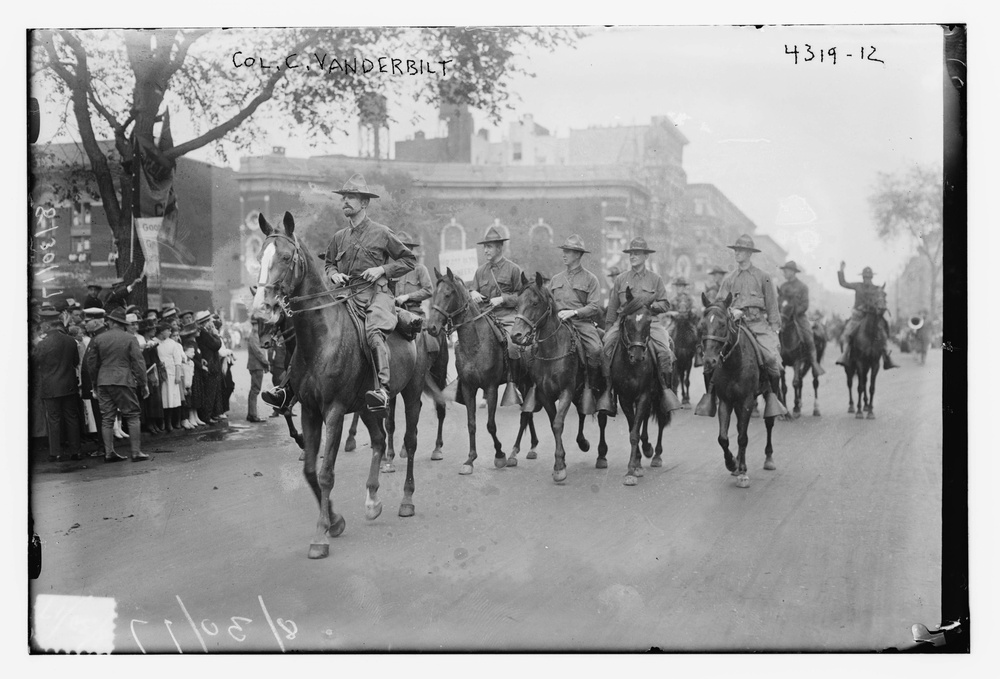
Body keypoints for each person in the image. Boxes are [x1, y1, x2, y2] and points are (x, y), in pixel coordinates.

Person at [321, 174, 416, 411]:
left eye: (351, 197)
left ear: (364, 203)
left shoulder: (382, 233)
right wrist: (333, 274)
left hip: (377, 295)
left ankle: (382, 389)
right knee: (318, 325)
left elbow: (409, 260)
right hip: (345, 295)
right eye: (344, 197)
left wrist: (382, 269)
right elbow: (329, 264)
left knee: (373, 332)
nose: (345, 201)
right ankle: (288, 389)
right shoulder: (338, 237)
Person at [697, 234, 787, 417]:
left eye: (741, 250)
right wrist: (730, 311)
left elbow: (772, 305)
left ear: (749, 253)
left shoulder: (763, 277)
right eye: (736, 250)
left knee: (772, 361)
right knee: (712, 358)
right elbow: (720, 305)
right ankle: (710, 397)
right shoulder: (729, 279)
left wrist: (774, 329)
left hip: (758, 326)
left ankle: (773, 399)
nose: (737, 253)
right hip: (736, 327)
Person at [601, 237, 682, 415]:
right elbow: (613, 307)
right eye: (631, 253)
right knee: (606, 348)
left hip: (650, 323)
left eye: (637, 253)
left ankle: (665, 390)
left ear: (646, 256)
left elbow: (665, 304)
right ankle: (608, 392)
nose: (633, 256)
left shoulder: (655, 279)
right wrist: (609, 329)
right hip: (625, 324)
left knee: (665, 350)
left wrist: (650, 307)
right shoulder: (621, 279)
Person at [84, 307, 149, 462]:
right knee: (132, 415)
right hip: (123, 380)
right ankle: (135, 452)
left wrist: (95, 383)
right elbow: (138, 362)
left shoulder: (99, 338)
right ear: (123, 324)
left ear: (111, 322)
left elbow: (91, 364)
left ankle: (109, 452)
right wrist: (143, 383)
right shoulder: (130, 338)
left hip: (103, 381)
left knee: (107, 417)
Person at [548, 235, 604, 408]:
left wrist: (574, 312)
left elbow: (594, 306)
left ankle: (591, 386)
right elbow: (548, 304)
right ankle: (535, 388)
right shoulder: (556, 279)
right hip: (557, 324)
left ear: (578, 255)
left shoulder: (590, 279)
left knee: (595, 349)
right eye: (564, 251)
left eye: (568, 251)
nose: (564, 254)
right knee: (532, 348)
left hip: (581, 323)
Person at [469, 224, 527, 389]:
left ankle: (513, 383)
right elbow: (472, 290)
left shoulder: (513, 269)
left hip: (506, 316)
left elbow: (522, 297)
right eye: (485, 247)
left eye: (489, 247)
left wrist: (502, 299)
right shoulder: (480, 271)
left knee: (513, 345)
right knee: (464, 344)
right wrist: (472, 293)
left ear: (499, 248)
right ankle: (464, 384)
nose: (485, 250)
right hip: (484, 317)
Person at [33, 307, 82, 462]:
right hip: (69, 385)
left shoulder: (43, 344)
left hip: (50, 387)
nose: (41, 327)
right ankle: (75, 451)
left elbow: (35, 362)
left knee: (53, 419)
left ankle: (56, 452)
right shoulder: (70, 341)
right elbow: (75, 362)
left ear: (47, 325)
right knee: (71, 418)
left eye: (42, 324)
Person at [836, 262, 899, 369]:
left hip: (873, 315)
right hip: (858, 315)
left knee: (883, 332)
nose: (867, 279)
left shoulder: (877, 288)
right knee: (847, 332)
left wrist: (881, 307)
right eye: (865, 277)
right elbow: (843, 283)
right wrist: (841, 270)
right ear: (863, 277)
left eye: (869, 277)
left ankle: (886, 356)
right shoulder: (857, 285)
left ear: (872, 277)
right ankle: (845, 355)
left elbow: (881, 301)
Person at [777, 261, 825, 376]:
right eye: (784, 271)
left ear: (793, 272)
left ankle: (814, 363)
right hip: (784, 317)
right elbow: (780, 302)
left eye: (786, 271)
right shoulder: (783, 286)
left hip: (799, 317)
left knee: (809, 336)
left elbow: (805, 304)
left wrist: (794, 312)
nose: (784, 273)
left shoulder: (802, 286)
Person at [392, 231, 433, 318]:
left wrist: (407, 297)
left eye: (404, 248)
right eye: (397, 248)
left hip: (412, 311)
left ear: (410, 249)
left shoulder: (420, 269)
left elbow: (428, 291)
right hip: (393, 311)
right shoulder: (391, 269)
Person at [156, 322, 185, 431]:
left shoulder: (172, 343)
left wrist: (177, 375)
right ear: (161, 331)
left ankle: (171, 422)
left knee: (172, 398)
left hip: (172, 374)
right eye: (167, 330)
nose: (169, 332)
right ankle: (162, 421)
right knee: (163, 398)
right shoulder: (155, 342)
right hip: (161, 374)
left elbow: (178, 361)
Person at [246, 324, 268, 423]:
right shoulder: (254, 336)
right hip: (256, 366)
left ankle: (251, 413)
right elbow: (258, 352)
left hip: (255, 366)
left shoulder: (254, 335)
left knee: (254, 390)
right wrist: (266, 362)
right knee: (255, 390)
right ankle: (253, 415)